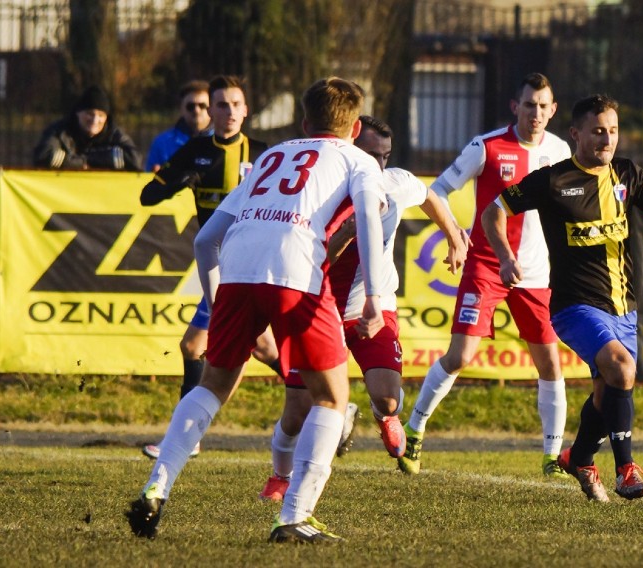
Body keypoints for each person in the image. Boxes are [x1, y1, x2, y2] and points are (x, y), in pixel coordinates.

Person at [126, 76, 387, 544]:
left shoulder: (270, 155)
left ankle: (156, 486)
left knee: (213, 385)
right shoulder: (358, 158)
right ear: (355, 127)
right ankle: (293, 515)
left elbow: (206, 239)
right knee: (331, 397)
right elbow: (368, 216)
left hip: (238, 268)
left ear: (305, 121)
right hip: (297, 269)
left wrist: (215, 296)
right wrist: (376, 298)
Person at [481, 94, 643, 502]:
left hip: (624, 308)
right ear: (576, 134)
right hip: (573, 306)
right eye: (598, 130)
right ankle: (626, 470)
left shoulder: (627, 175)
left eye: (613, 130)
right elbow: (492, 211)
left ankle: (580, 457)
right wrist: (505, 258)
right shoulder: (553, 180)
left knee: (607, 394)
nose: (607, 139)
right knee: (621, 368)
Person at [258, 116, 468, 502]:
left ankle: (383, 414)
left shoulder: (392, 182)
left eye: (385, 156)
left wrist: (453, 236)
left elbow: (427, 196)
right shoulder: (320, 192)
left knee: (388, 397)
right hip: (318, 310)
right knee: (296, 412)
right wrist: (347, 232)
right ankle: (279, 476)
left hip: (373, 306)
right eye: (372, 155)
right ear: (350, 147)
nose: (380, 165)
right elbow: (314, 257)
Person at [397, 72, 573, 479]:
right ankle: (415, 428)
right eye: (529, 105)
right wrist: (454, 232)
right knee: (461, 356)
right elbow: (437, 190)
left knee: (550, 363)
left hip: (536, 272)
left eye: (544, 106)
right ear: (516, 107)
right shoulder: (487, 146)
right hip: (488, 265)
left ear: (553, 110)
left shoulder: (562, 151)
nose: (536, 113)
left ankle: (551, 457)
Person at [138, 75, 276, 460]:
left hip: (249, 265)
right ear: (210, 111)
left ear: (246, 109)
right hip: (223, 265)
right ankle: (325, 401)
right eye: (221, 105)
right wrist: (175, 182)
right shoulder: (194, 151)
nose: (229, 111)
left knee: (195, 345)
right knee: (262, 348)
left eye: (236, 104)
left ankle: (187, 439)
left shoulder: (267, 155)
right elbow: (148, 196)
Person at [33, 85, 143, 171]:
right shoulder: (59, 131)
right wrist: (81, 163)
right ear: (78, 113)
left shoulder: (114, 134)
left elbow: (135, 159)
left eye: (101, 115)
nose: (95, 120)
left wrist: (89, 160)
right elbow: (43, 156)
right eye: (90, 114)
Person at [145, 79, 213, 172]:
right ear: (181, 109)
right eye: (190, 106)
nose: (196, 110)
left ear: (212, 108)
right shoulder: (161, 143)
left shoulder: (222, 140)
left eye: (202, 105)